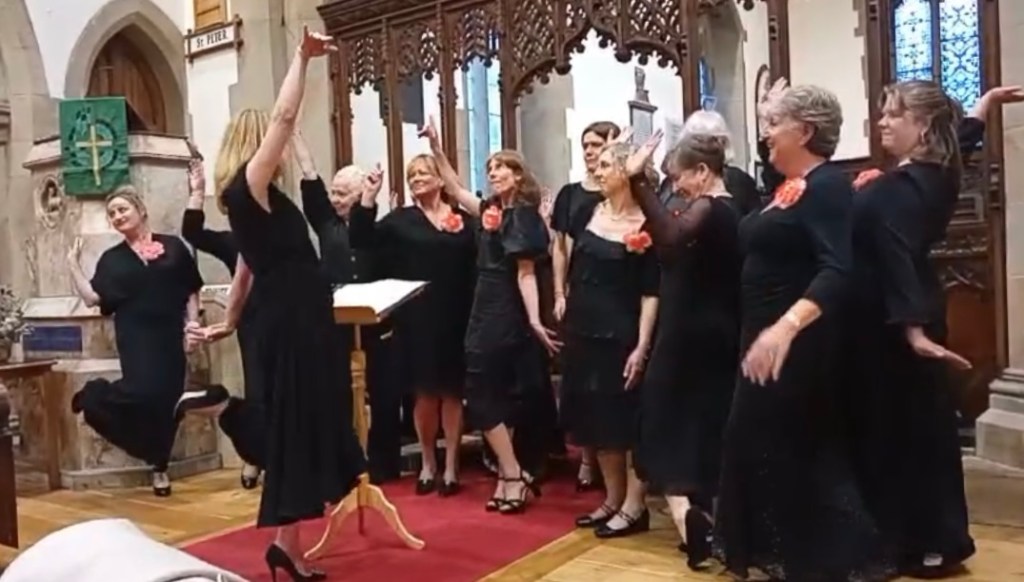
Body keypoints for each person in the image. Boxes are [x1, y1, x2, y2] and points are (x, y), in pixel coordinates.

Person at [183, 26, 365, 581]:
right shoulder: (250, 188)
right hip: (296, 320)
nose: (279, 144)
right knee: (296, 423)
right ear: (256, 142)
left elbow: (245, 266)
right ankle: (230, 411)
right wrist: (301, 59)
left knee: (301, 425)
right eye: (270, 140)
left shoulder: (257, 202)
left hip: (299, 314)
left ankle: (288, 545)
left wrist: (230, 320)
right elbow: (284, 117)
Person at [712, 84, 892, 581]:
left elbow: (837, 270)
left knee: (796, 449)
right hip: (762, 336)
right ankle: (783, 555)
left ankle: (825, 561)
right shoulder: (789, 185)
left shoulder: (827, 185)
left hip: (796, 343)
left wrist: (785, 328)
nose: (766, 133)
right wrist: (765, 110)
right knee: (761, 445)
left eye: (774, 125)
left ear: (806, 131)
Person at [846, 82, 1024, 577]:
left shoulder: (905, 187)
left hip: (893, 322)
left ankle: (924, 541)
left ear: (922, 127)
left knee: (907, 435)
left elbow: (897, 254)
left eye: (892, 115)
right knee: (914, 431)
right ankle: (918, 537)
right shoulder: (939, 171)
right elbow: (959, 137)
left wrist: (912, 330)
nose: (882, 122)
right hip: (899, 314)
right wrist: (984, 107)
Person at [419, 115, 556, 514]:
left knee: (483, 391)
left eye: (500, 167)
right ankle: (508, 476)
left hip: (504, 306)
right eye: (490, 168)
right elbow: (454, 187)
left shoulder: (524, 216)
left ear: (518, 175)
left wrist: (534, 320)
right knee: (487, 391)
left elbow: (526, 273)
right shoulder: (491, 210)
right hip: (483, 300)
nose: (493, 173)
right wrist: (437, 147)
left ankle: (512, 474)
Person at [631, 132, 742, 569]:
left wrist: (637, 181)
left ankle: (693, 522)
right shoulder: (716, 209)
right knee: (692, 427)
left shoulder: (714, 208)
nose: (675, 186)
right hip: (702, 331)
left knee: (662, 422)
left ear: (703, 171)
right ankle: (697, 523)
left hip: (694, 333)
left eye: (679, 177)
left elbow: (672, 236)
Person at [349, 154, 477, 495]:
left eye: (423, 173)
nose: (417, 178)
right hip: (417, 317)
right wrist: (368, 198)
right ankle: (428, 462)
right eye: (412, 175)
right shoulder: (400, 221)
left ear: (441, 180)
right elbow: (361, 239)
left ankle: (451, 464)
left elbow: (477, 261)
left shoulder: (463, 221)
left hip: (457, 314)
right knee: (424, 392)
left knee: (452, 392)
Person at [67, 186, 203, 497]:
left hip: (170, 336)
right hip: (136, 337)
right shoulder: (112, 259)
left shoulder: (173, 246)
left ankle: (159, 467)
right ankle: (94, 394)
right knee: (142, 393)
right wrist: (73, 264)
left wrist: (192, 326)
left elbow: (191, 289)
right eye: (112, 213)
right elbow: (92, 298)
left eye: (122, 209)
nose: (117, 216)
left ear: (140, 210)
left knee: (168, 402)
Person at [559, 141, 659, 539]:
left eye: (605, 166)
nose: (597, 171)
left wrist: (642, 345)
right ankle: (612, 498)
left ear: (625, 172)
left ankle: (635, 506)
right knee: (595, 419)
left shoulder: (645, 223)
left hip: (619, 332)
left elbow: (651, 292)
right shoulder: (591, 210)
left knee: (624, 422)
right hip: (583, 330)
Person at [290, 132, 402, 485]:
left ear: (360, 194)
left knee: (385, 396)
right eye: (334, 192)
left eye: (342, 193)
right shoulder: (326, 224)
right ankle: (341, 463)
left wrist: (370, 197)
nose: (335, 199)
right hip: (336, 323)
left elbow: (381, 256)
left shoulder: (378, 230)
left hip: (376, 323)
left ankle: (384, 465)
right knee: (336, 393)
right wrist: (295, 137)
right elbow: (311, 181)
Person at [180, 159, 264, 489]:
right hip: (254, 324)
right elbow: (192, 233)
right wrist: (197, 192)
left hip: (288, 319)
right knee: (258, 392)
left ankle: (288, 461)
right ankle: (254, 456)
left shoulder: (281, 230)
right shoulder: (234, 241)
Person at [550, 121, 621, 492]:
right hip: (578, 290)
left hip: (611, 292)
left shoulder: (619, 192)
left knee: (604, 383)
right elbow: (561, 247)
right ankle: (587, 456)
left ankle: (609, 461)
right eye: (586, 145)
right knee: (580, 379)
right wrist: (559, 292)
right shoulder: (571, 194)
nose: (590, 151)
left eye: (596, 145)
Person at [676, 110, 760, 215]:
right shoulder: (676, 180)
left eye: (713, 140)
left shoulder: (738, 180)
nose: (704, 147)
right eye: (697, 141)